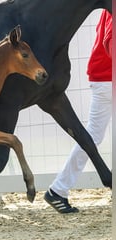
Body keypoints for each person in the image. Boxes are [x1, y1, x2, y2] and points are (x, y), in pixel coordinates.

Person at [44, 10, 112, 213]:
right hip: (108, 79)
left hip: (102, 78)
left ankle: (58, 190)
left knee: (91, 137)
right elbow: (111, 43)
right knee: (92, 136)